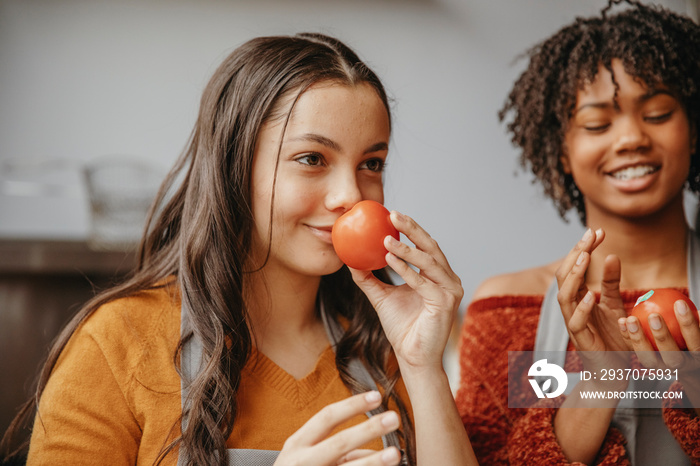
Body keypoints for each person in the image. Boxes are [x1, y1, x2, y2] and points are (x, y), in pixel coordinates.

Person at [1, 33, 477, 466]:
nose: (350, 196)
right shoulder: (118, 342)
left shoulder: (389, 350)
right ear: (235, 168)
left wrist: (423, 367)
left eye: (371, 163)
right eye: (312, 159)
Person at [455, 1, 700, 464]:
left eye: (659, 113)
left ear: (693, 130)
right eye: (596, 124)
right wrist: (600, 378)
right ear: (562, 151)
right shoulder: (505, 312)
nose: (630, 138)